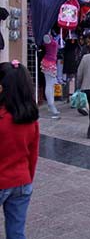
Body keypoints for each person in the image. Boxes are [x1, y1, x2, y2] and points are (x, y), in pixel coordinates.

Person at [0, 60, 39, 239]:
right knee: (16, 232)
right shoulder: (30, 118)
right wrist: (27, 178)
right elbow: (33, 155)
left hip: (3, 180)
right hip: (22, 181)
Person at [41, 34, 60, 118]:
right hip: (49, 63)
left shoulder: (49, 37)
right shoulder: (47, 37)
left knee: (51, 85)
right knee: (49, 85)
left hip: (50, 63)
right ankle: (51, 104)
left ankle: (51, 104)